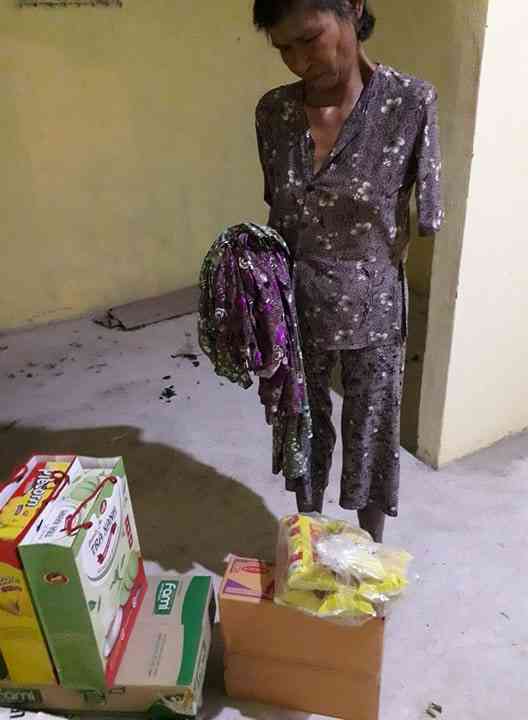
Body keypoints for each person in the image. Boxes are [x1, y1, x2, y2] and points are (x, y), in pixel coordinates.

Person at [253, 0, 444, 542]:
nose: (298, 61)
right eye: (283, 48)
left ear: (353, 8)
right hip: (295, 304)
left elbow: (429, 215)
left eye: (309, 39)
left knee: (372, 431)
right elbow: (280, 208)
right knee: (302, 425)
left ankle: (371, 555)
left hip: (373, 305)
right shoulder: (274, 113)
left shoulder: (410, 104)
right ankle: (308, 543)